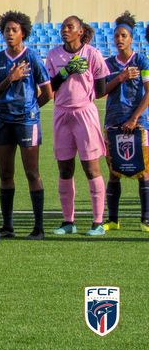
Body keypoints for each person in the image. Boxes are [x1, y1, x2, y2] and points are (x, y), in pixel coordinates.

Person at [0, 11, 53, 240]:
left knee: (32, 172)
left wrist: (32, 109)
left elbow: (48, 92)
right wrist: (10, 78)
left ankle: (39, 228)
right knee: (5, 173)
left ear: (23, 33)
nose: (10, 33)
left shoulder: (32, 57)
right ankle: (7, 226)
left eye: (14, 30)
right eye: (6, 30)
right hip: (3, 120)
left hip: (27, 121)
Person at [46, 15, 109, 236]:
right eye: (63, 27)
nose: (65, 30)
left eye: (69, 27)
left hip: (85, 114)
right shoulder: (54, 54)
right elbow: (50, 86)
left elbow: (101, 90)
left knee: (91, 167)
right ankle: (68, 222)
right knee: (65, 168)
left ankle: (98, 222)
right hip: (62, 114)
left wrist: (82, 73)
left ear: (80, 31)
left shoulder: (92, 54)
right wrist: (66, 72)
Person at [103, 11, 149, 231]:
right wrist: (120, 77)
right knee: (114, 171)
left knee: (144, 171)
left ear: (131, 38)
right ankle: (113, 219)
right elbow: (99, 91)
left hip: (139, 124)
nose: (119, 40)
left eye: (124, 36)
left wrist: (134, 118)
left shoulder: (141, 60)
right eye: (116, 36)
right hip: (113, 121)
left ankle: (146, 219)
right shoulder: (107, 63)